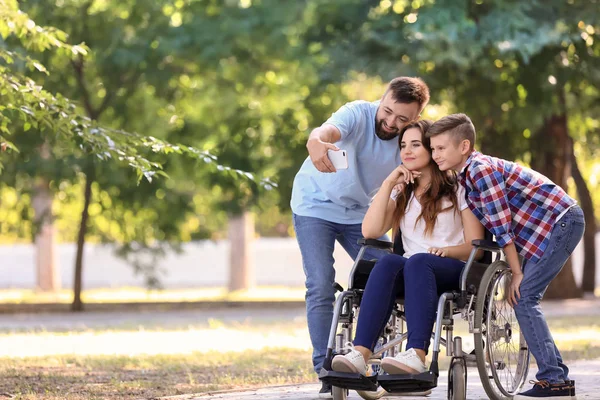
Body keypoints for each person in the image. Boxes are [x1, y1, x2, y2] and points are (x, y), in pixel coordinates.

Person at [427, 113, 584, 399]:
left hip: (560, 222)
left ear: (463, 146)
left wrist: (517, 273)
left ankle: (553, 379)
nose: (434, 155)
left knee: (523, 296)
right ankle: (558, 376)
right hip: (545, 229)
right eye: (433, 148)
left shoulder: (480, 170)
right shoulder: (466, 178)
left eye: (440, 148)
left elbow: (502, 227)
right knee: (524, 297)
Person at [291, 77, 430, 397]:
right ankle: (324, 367)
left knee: (389, 276)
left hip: (361, 216)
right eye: (388, 111)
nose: (391, 122)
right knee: (320, 282)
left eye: (403, 119)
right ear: (381, 99)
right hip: (314, 206)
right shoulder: (357, 114)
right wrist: (316, 140)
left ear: (415, 119)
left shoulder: (409, 141)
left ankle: (378, 359)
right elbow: (326, 132)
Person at [331, 120, 484, 378]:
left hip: (452, 267)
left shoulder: (458, 188)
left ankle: (417, 355)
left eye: (415, 144)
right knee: (389, 262)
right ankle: (361, 353)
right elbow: (370, 231)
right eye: (403, 145)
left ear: (432, 149)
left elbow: (475, 247)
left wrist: (445, 251)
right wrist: (391, 183)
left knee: (418, 261)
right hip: (412, 269)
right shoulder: (403, 190)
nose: (407, 151)